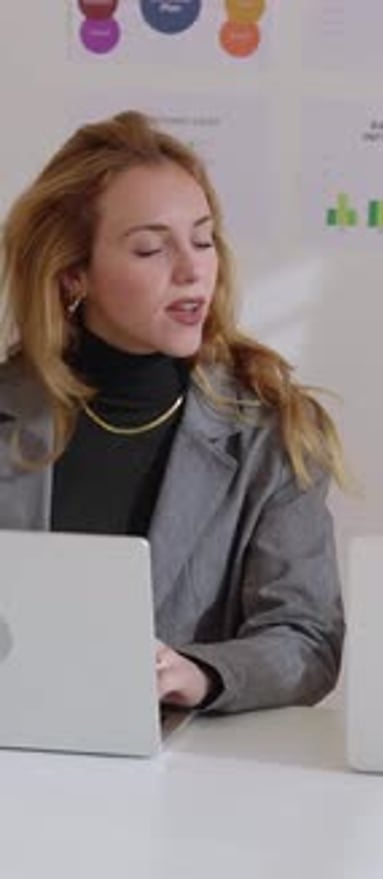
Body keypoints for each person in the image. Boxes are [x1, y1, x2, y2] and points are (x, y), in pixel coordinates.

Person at [0, 110, 348, 714]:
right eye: (151, 248)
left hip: (182, 782)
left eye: (203, 239)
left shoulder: (274, 431)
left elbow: (307, 640)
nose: (192, 270)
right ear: (73, 274)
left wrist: (200, 675)